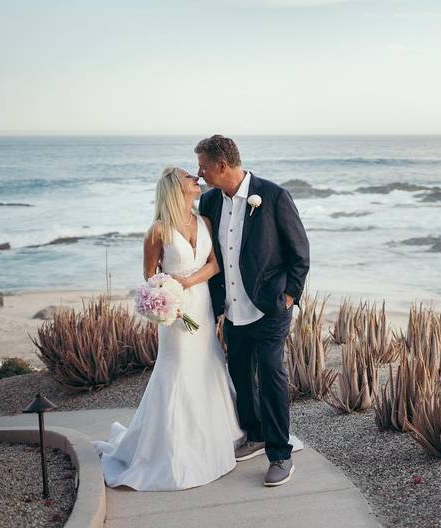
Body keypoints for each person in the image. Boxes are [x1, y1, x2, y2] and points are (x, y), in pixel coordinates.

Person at [93, 166, 302, 491]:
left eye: (198, 170)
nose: (197, 176)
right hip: (174, 315)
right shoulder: (157, 231)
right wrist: (162, 303)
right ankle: (173, 447)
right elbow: (150, 279)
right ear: (175, 187)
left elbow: (216, 263)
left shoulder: (204, 218)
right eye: (189, 175)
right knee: (176, 372)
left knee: (209, 367)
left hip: (201, 306)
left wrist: (188, 282)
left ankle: (224, 441)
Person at [196, 134, 310, 487]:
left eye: (203, 167)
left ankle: (280, 454)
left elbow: (299, 252)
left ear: (222, 165)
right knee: (240, 375)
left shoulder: (273, 196)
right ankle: (256, 434)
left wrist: (289, 296)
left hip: (269, 309)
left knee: (272, 376)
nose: (199, 174)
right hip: (232, 311)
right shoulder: (210, 202)